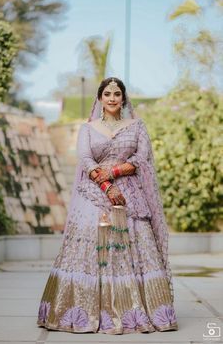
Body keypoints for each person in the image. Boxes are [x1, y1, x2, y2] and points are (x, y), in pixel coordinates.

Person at [37, 77, 178, 335]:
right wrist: (107, 185)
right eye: (107, 94)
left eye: (117, 94)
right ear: (100, 98)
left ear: (123, 98)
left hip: (131, 196)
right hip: (93, 195)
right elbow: (85, 158)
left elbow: (142, 157)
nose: (112, 98)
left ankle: (134, 311)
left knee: (135, 248)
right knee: (90, 249)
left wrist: (113, 171)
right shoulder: (89, 128)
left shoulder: (136, 126)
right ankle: (81, 311)